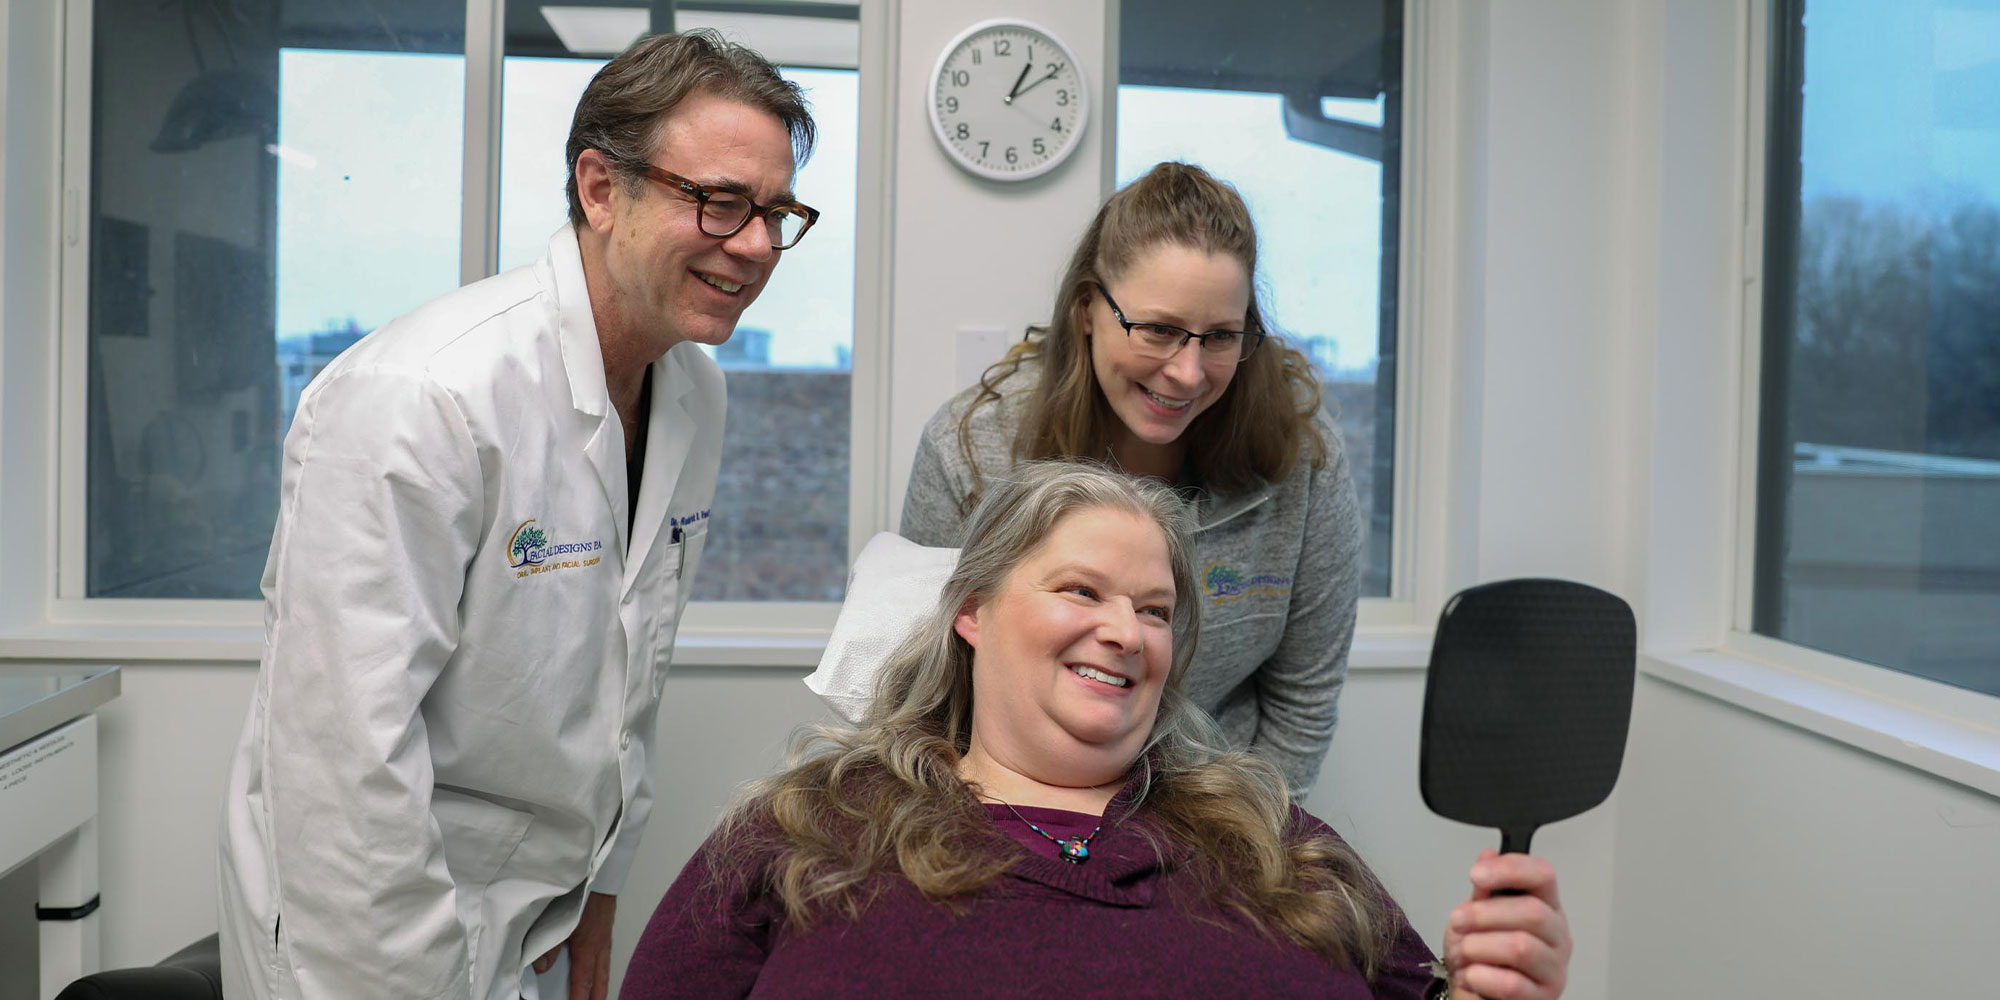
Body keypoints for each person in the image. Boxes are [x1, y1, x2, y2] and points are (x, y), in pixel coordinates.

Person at [215, 31, 819, 1000]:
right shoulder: (423, 395)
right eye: (718, 201)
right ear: (598, 187)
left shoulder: (693, 395)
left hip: (541, 903)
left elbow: (633, 677)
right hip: (363, 920)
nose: (752, 244)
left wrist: (601, 891)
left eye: (775, 212)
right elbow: (342, 760)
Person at [625, 461, 1572, 999]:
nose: (1125, 632)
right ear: (973, 611)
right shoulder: (809, 832)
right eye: (1081, 591)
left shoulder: (1276, 847)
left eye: (1155, 611)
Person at [901, 161, 1360, 799]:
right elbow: (925, 698)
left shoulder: (1303, 458)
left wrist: (1237, 851)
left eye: (1221, 337)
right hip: (1008, 816)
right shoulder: (972, 451)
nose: (1188, 372)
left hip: (1215, 818)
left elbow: (1301, 703)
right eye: (1160, 330)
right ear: (1088, 308)